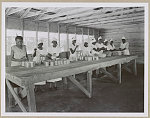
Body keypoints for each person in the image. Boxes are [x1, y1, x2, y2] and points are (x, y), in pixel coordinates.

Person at [10, 36, 29, 103]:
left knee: (23, 82)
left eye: (21, 41)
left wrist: (27, 61)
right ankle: (17, 99)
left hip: (23, 66)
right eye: (18, 42)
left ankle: (20, 96)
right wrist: (19, 60)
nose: (20, 43)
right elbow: (11, 58)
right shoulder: (13, 47)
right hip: (15, 66)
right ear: (16, 41)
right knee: (15, 83)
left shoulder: (24, 47)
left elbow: (26, 56)